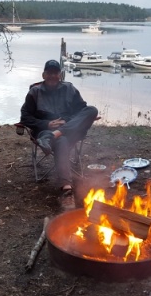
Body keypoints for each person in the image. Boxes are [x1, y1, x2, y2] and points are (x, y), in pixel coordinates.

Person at [20, 59, 98, 209]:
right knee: (62, 141)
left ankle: (56, 133)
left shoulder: (70, 89)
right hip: (45, 133)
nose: (52, 76)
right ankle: (66, 190)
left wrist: (66, 122)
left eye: (55, 73)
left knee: (92, 110)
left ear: (60, 75)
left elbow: (82, 110)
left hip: (69, 130)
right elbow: (25, 117)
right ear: (44, 74)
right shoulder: (35, 92)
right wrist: (46, 124)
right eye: (49, 73)